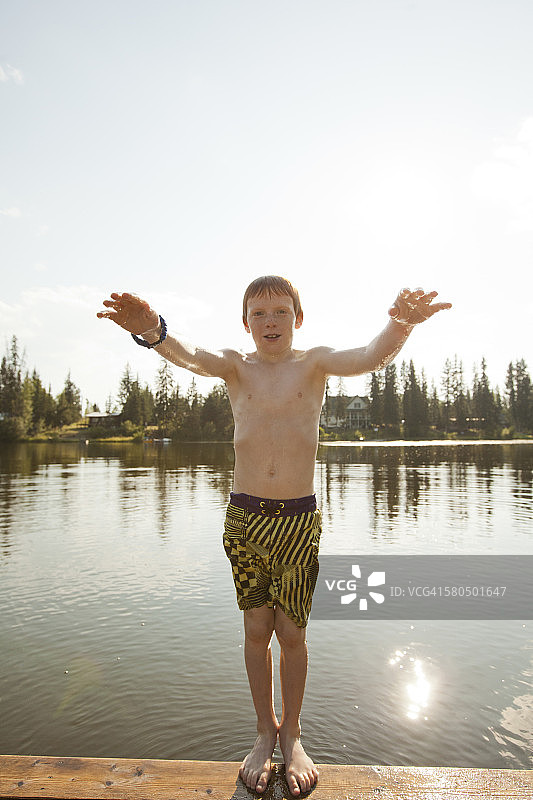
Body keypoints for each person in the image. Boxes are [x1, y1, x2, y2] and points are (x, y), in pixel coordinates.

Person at [97, 277, 451, 795]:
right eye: (258, 313)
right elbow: (191, 356)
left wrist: (401, 325)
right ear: (246, 323)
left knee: (293, 636)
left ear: (297, 319)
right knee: (257, 631)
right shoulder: (236, 366)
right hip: (246, 521)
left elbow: (372, 356)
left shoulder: (315, 364)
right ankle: (265, 731)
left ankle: (294, 736)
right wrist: (152, 331)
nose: (270, 321)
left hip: (298, 522)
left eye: (281, 312)